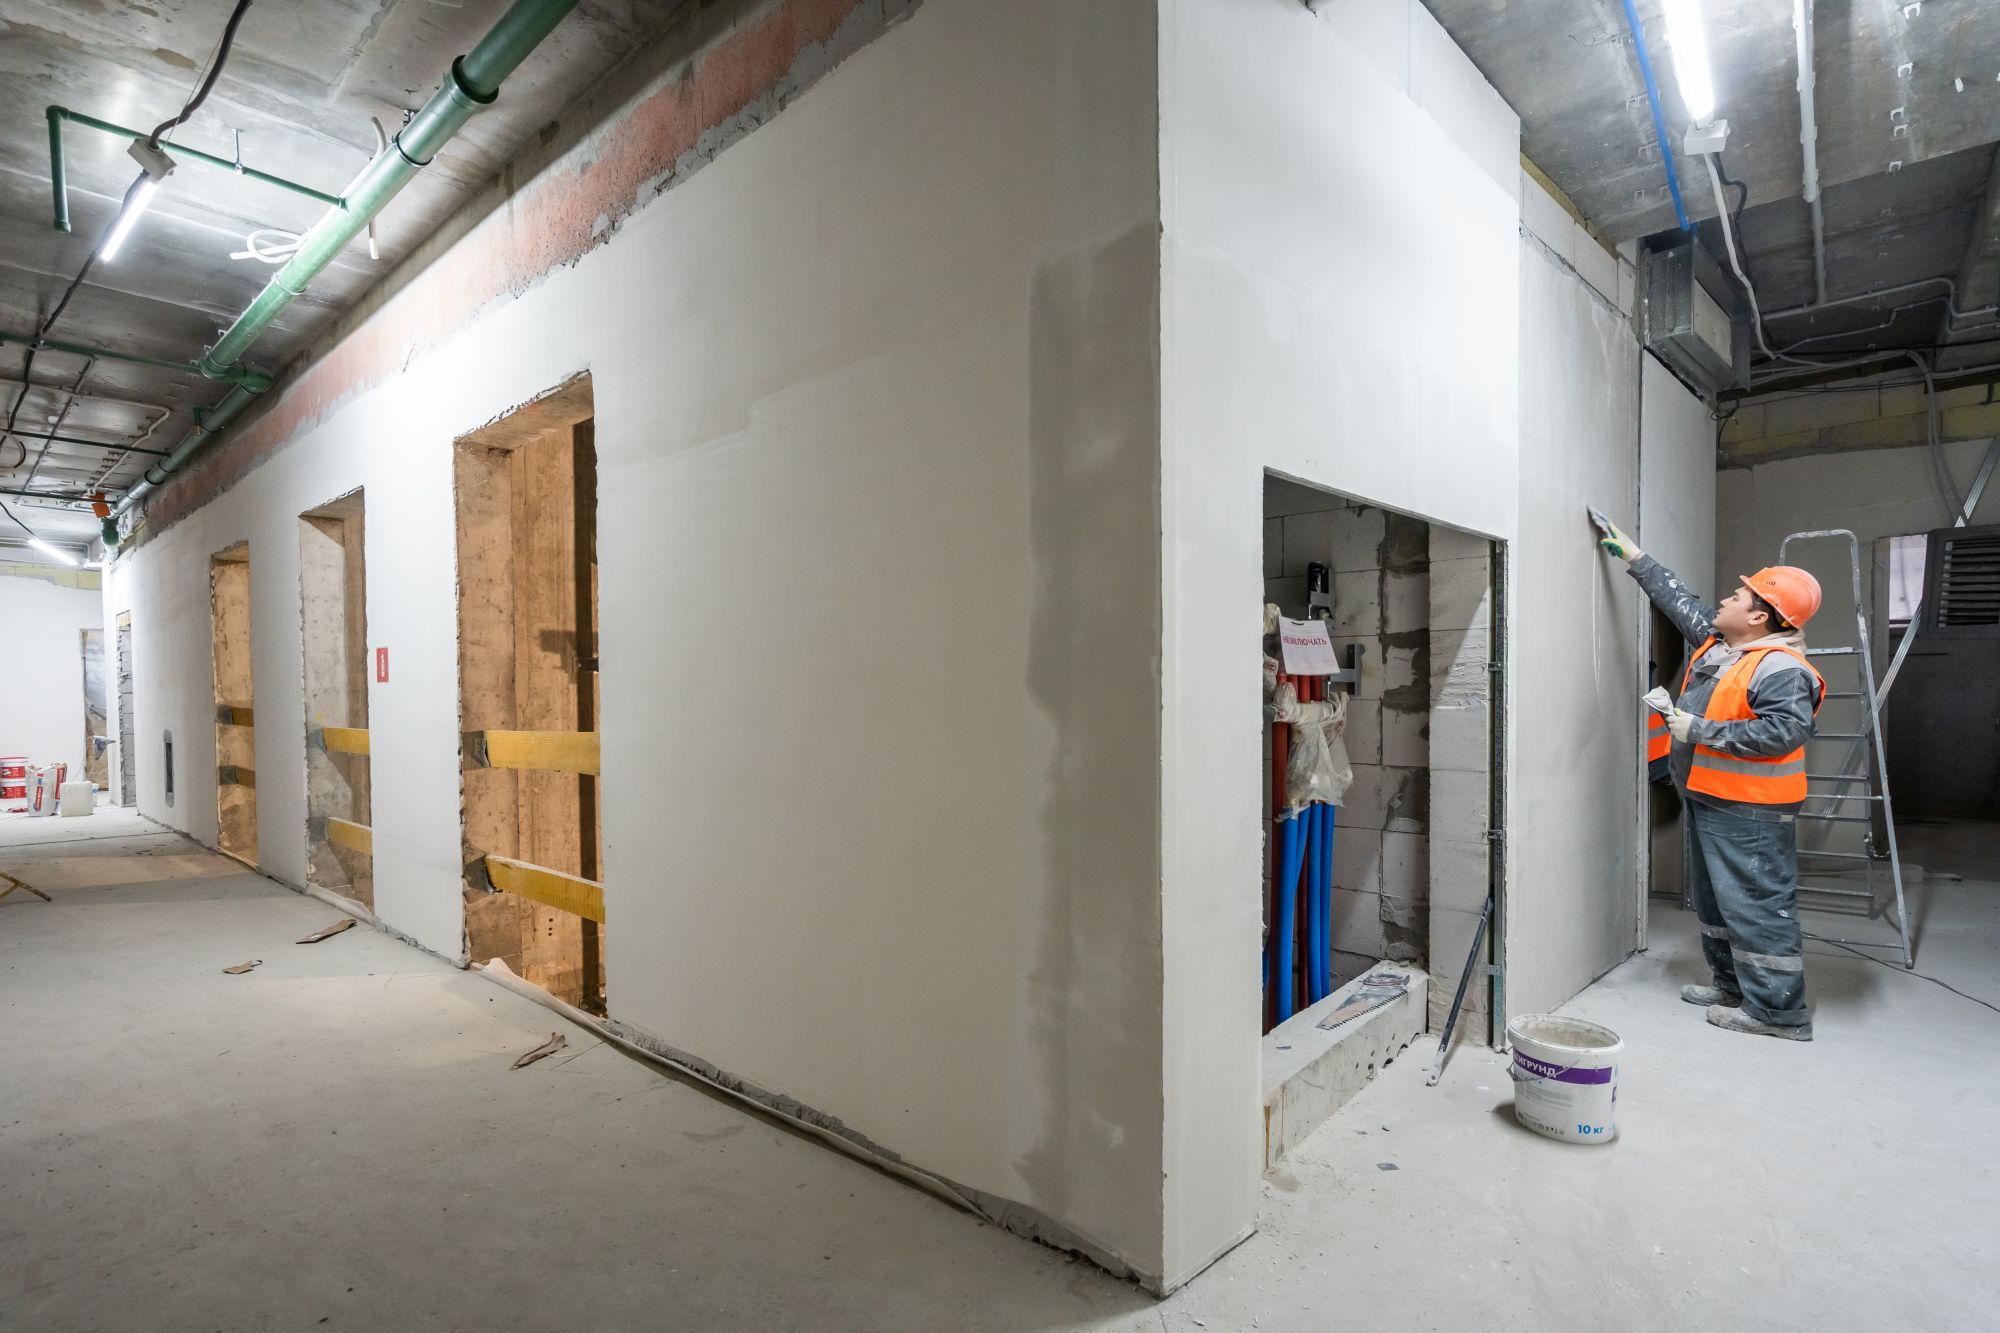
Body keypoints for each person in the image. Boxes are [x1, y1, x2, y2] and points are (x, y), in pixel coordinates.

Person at [1594, 514, 1825, 1041]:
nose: (1725, 599)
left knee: (1756, 906)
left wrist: (1699, 730)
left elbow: (1783, 733)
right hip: (1711, 796)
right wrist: (1635, 557)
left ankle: (1777, 1013)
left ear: (1760, 617)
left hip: (1753, 809)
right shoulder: (1725, 645)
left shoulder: (1781, 668)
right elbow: (1684, 605)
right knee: (1718, 900)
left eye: (1738, 596)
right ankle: (1733, 987)